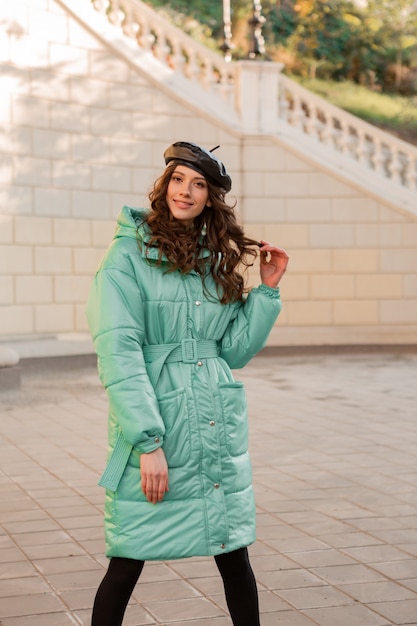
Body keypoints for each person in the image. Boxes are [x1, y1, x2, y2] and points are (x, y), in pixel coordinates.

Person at [86, 141, 289, 626]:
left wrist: (267, 291)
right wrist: (147, 444)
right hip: (159, 424)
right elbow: (119, 353)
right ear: (164, 185)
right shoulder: (125, 257)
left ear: (210, 197)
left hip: (213, 423)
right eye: (178, 179)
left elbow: (233, 352)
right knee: (128, 558)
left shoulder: (213, 258)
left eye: (199, 184)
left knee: (234, 555)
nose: (186, 191)